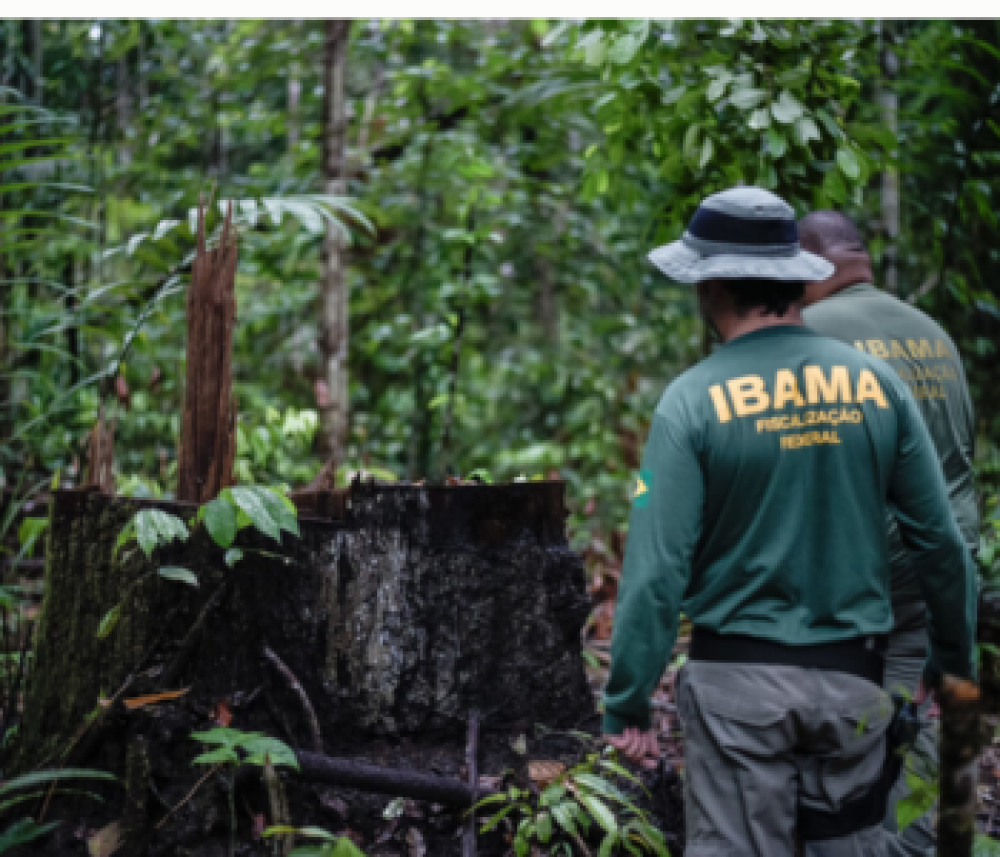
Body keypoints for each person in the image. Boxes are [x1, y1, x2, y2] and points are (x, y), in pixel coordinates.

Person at [602, 186, 977, 857]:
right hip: (854, 688)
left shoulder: (689, 403)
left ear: (710, 283)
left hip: (735, 696)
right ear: (791, 281)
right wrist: (953, 660)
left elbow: (656, 570)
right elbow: (940, 541)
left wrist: (628, 702)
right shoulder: (876, 385)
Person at [799, 210, 980, 856]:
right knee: (921, 744)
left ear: (810, 265)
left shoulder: (806, 335)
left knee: (840, 776)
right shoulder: (934, 335)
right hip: (941, 576)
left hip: (859, 583)